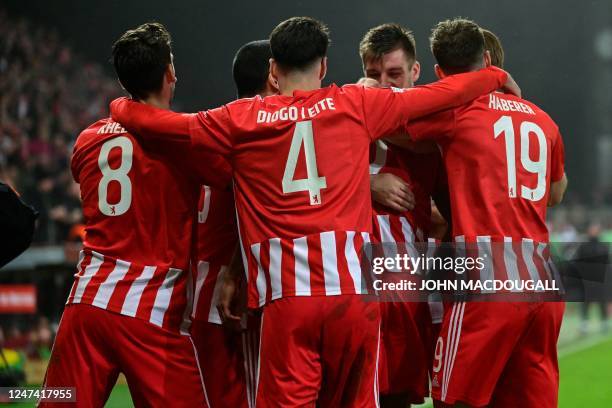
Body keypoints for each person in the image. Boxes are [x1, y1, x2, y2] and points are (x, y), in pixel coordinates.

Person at [110, 16, 517, 407]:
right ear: (324, 66)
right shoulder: (354, 103)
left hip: (289, 304)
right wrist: (494, 77)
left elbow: (169, 127)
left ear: (273, 70)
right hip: (355, 300)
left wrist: (120, 107)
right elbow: (439, 95)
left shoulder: (243, 118)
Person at [41, 23, 231, 407]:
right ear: (169, 73)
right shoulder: (183, 142)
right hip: (151, 309)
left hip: (87, 302)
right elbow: (227, 175)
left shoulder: (87, 139)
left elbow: (87, 177)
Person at [402, 18, 567, 407]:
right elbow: (556, 191)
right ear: (489, 59)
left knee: (453, 399)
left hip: (486, 275)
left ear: (441, 73)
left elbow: (393, 123)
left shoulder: (457, 111)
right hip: (542, 275)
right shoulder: (543, 119)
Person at [358, 23, 448, 408]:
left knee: (399, 393)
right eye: (374, 75)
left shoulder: (435, 119)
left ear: (415, 72)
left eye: (394, 75)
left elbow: (428, 147)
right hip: (353, 279)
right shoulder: (340, 110)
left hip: (410, 276)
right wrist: (363, 182)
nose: (383, 84)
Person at [191, 39, 277, 408]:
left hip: (196, 297)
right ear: (275, 76)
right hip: (239, 296)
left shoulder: (211, 127)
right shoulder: (266, 134)